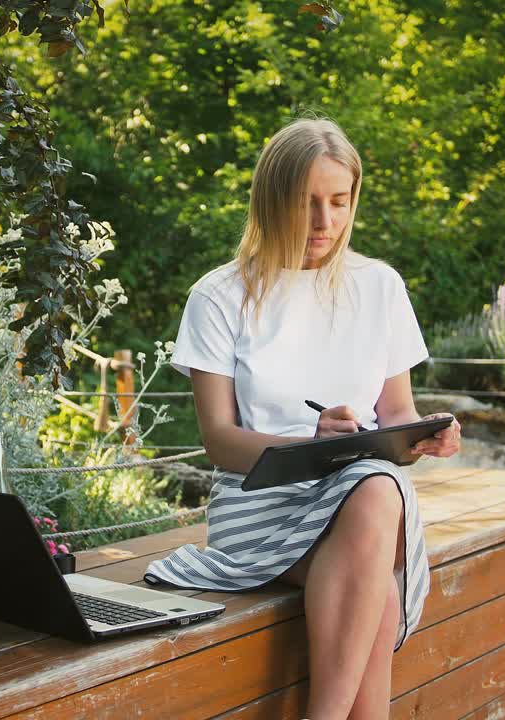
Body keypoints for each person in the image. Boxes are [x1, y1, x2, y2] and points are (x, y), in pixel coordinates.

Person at [143, 118, 462, 720]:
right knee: (376, 562)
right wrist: (304, 442)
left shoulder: (380, 287)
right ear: (271, 199)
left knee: (375, 491)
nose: (324, 222)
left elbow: (396, 412)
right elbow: (218, 441)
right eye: (306, 202)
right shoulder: (218, 296)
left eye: (338, 202)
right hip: (261, 505)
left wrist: (423, 435)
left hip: (362, 505)